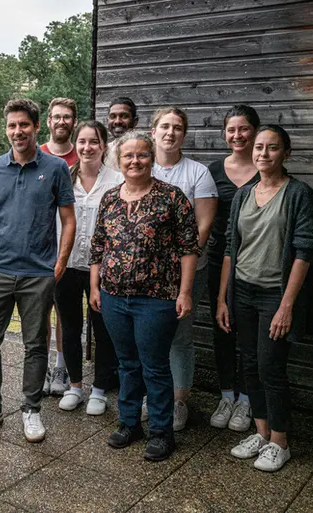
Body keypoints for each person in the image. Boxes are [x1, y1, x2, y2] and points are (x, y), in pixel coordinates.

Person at [0, 99, 75, 443]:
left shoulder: (54, 168)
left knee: (35, 345)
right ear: (6, 128)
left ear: (36, 127)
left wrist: (60, 263)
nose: (17, 131)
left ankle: (31, 410)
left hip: (38, 274)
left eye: (24, 125)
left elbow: (68, 221)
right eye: (12, 125)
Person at [90, 131, 200, 462]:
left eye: (142, 155)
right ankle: (128, 423)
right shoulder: (109, 198)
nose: (135, 161)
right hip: (112, 296)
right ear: (118, 161)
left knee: (154, 365)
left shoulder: (172, 198)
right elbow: (97, 246)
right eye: (128, 156)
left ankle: (161, 431)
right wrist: (95, 287)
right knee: (126, 363)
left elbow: (189, 247)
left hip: (157, 298)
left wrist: (185, 292)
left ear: (152, 158)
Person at [217, 125, 313, 472]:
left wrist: (287, 305)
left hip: (275, 295)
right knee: (249, 364)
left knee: (270, 367)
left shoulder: (298, 194)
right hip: (242, 291)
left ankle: (280, 442)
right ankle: (261, 433)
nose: (263, 154)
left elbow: (305, 250)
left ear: (285, 154)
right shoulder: (245, 195)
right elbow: (231, 247)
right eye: (259, 147)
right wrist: (223, 297)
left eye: (272, 148)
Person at [150, 106, 218, 431]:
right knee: (149, 333)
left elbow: (203, 225)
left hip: (187, 269)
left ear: (184, 134)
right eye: (164, 126)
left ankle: (178, 402)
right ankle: (155, 396)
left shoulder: (197, 173)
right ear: (153, 132)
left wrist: (182, 261)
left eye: (177, 127)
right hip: (149, 273)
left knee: (179, 336)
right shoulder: (141, 167)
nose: (170, 132)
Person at [54, 121, 123, 414]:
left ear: (103, 145)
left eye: (93, 142)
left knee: (103, 328)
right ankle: (75, 386)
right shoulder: (64, 178)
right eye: (81, 141)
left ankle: (99, 390)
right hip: (66, 264)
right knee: (70, 327)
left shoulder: (117, 180)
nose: (86, 147)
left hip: (102, 268)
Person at [207, 105, 261, 432]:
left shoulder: (267, 168)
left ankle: (247, 400)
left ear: (254, 131)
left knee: (251, 332)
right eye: (231, 130)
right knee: (222, 327)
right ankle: (227, 394)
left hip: (255, 260)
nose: (237, 135)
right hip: (218, 259)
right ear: (225, 134)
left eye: (243, 129)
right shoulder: (213, 171)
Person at [40, 97, 79, 396]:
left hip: (70, 249)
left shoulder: (84, 155)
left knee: (66, 315)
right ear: (49, 121)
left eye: (67, 117)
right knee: (39, 314)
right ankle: (40, 367)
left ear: (73, 122)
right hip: (38, 248)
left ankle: (62, 367)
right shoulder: (36, 155)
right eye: (57, 117)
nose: (62, 121)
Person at [103, 97, 139, 168]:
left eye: (124, 116)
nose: (117, 121)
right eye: (113, 116)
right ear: (107, 121)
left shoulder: (144, 150)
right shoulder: (104, 151)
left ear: (135, 122)